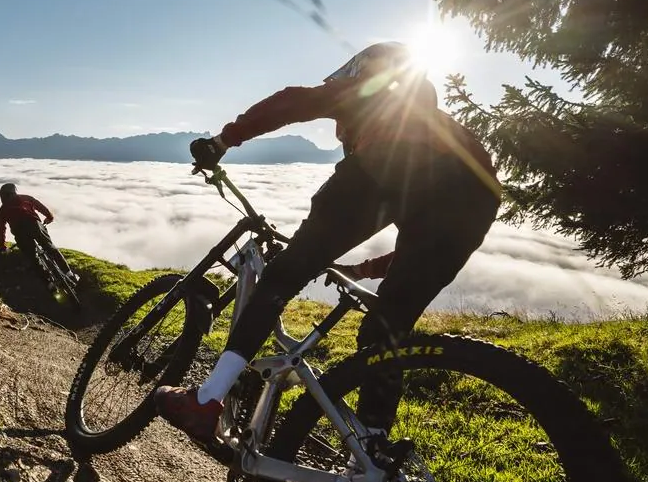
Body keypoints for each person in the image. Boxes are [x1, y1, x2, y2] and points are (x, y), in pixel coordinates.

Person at [154, 40, 502, 446]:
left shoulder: (378, 90)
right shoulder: (448, 131)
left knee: (283, 275)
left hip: (389, 161)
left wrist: (223, 141)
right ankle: (371, 461)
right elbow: (434, 233)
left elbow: (292, 102)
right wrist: (365, 269)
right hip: (479, 200)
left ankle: (207, 399)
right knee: (384, 332)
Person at [0, 182, 79, 283]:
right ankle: (69, 274)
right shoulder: (26, 198)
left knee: (33, 258)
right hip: (34, 225)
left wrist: (3, 247)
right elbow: (41, 207)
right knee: (50, 247)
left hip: (19, 233)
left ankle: (49, 283)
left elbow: (1, 229)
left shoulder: (3, 209)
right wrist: (49, 217)